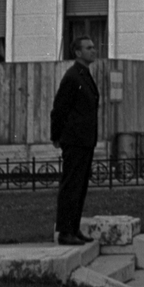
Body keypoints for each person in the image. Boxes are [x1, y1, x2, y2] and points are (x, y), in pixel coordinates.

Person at [51, 34, 101, 243]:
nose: (93, 50)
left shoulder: (84, 75)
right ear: (78, 52)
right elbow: (59, 109)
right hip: (74, 140)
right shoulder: (72, 77)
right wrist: (56, 135)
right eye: (88, 48)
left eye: (93, 47)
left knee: (80, 187)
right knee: (71, 186)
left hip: (85, 140)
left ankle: (74, 227)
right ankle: (65, 231)